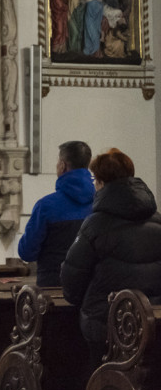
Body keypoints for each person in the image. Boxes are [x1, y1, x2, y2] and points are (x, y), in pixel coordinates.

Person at [62, 148, 161, 365]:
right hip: (152, 318)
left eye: (96, 181)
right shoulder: (157, 220)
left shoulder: (95, 224)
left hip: (105, 319)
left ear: (102, 183)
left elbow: (72, 277)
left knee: (101, 376)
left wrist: (84, 303)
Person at [17, 141, 95, 286]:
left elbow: (26, 252)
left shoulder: (46, 206)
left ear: (62, 165)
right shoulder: (100, 203)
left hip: (53, 286)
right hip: (89, 289)